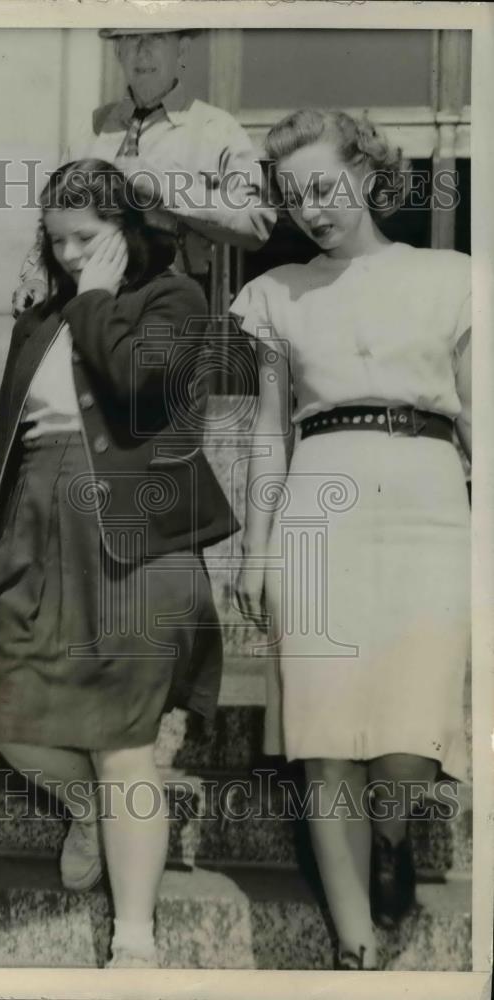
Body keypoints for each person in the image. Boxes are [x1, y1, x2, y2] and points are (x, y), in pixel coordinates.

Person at [0, 159, 236, 968]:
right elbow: (3, 443)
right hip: (35, 529)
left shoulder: (174, 301)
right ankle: (89, 808)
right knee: (12, 718)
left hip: (134, 539)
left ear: (126, 231)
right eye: (59, 241)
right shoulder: (37, 321)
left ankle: (135, 942)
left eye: (88, 238)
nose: (72, 254)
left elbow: (140, 390)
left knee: (124, 746)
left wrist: (97, 302)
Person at [232, 110, 471, 970]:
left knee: (412, 737)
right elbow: (266, 433)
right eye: (293, 195)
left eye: (325, 186)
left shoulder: (454, 277)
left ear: (368, 176)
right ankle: (354, 947)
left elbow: (478, 417)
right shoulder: (273, 295)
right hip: (317, 506)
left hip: (428, 500)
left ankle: (393, 831)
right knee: (325, 736)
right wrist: (257, 552)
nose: (311, 208)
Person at [12, 28, 275, 317]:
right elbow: (56, 221)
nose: (143, 50)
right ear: (117, 51)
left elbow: (257, 221)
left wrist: (165, 190)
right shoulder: (92, 129)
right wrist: (37, 278)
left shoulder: (217, 129)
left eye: (157, 37)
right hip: (86, 308)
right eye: (131, 39)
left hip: (171, 311)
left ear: (183, 50)